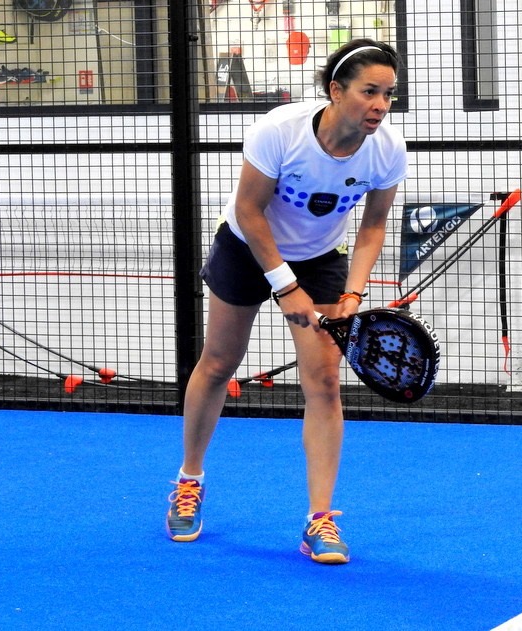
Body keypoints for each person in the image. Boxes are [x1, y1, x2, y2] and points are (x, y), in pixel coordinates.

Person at [166, 38, 407, 565]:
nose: (381, 105)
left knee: (324, 382)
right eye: (369, 92)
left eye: (388, 94)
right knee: (218, 363)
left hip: (320, 258)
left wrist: (353, 293)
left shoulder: (388, 148)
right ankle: (189, 480)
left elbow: (373, 225)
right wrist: (284, 285)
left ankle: (320, 519)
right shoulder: (279, 130)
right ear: (336, 90)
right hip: (245, 247)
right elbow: (249, 211)